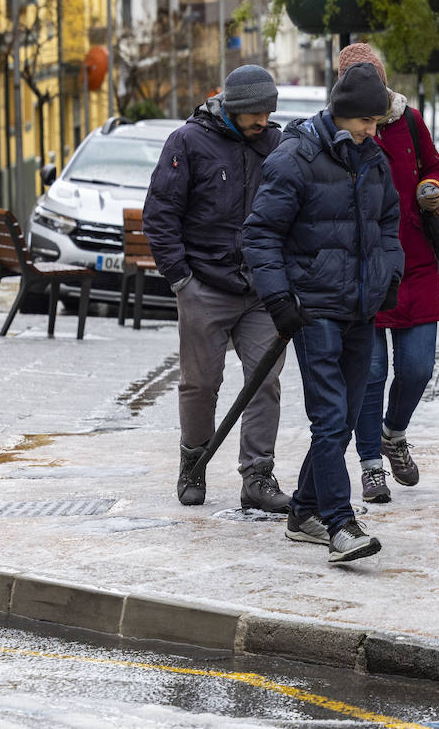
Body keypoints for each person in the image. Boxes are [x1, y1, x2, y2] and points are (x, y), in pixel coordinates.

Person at [242, 62, 403, 563]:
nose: (374, 131)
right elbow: (259, 233)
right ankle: (340, 523)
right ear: (343, 114)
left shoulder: (372, 158)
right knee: (331, 418)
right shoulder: (296, 157)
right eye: (367, 123)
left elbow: (389, 221)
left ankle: (304, 511)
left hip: (361, 306)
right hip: (312, 309)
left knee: (347, 416)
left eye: (377, 123)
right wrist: (279, 300)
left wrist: (389, 276)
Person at [143, 64, 290, 512]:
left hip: (262, 290)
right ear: (232, 107)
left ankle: (257, 476)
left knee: (265, 381)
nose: (263, 121)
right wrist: (181, 279)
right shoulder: (188, 142)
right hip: (204, 284)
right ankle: (194, 463)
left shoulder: (277, 145)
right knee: (200, 384)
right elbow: (160, 214)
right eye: (255, 113)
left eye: (268, 112)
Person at [337, 44, 439, 504]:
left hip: (416, 261)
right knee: (371, 372)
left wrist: (432, 189)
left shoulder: (409, 119)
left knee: (418, 367)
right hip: (367, 268)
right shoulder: (340, 131)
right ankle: (370, 466)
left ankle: (393, 433)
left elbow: (436, 167)